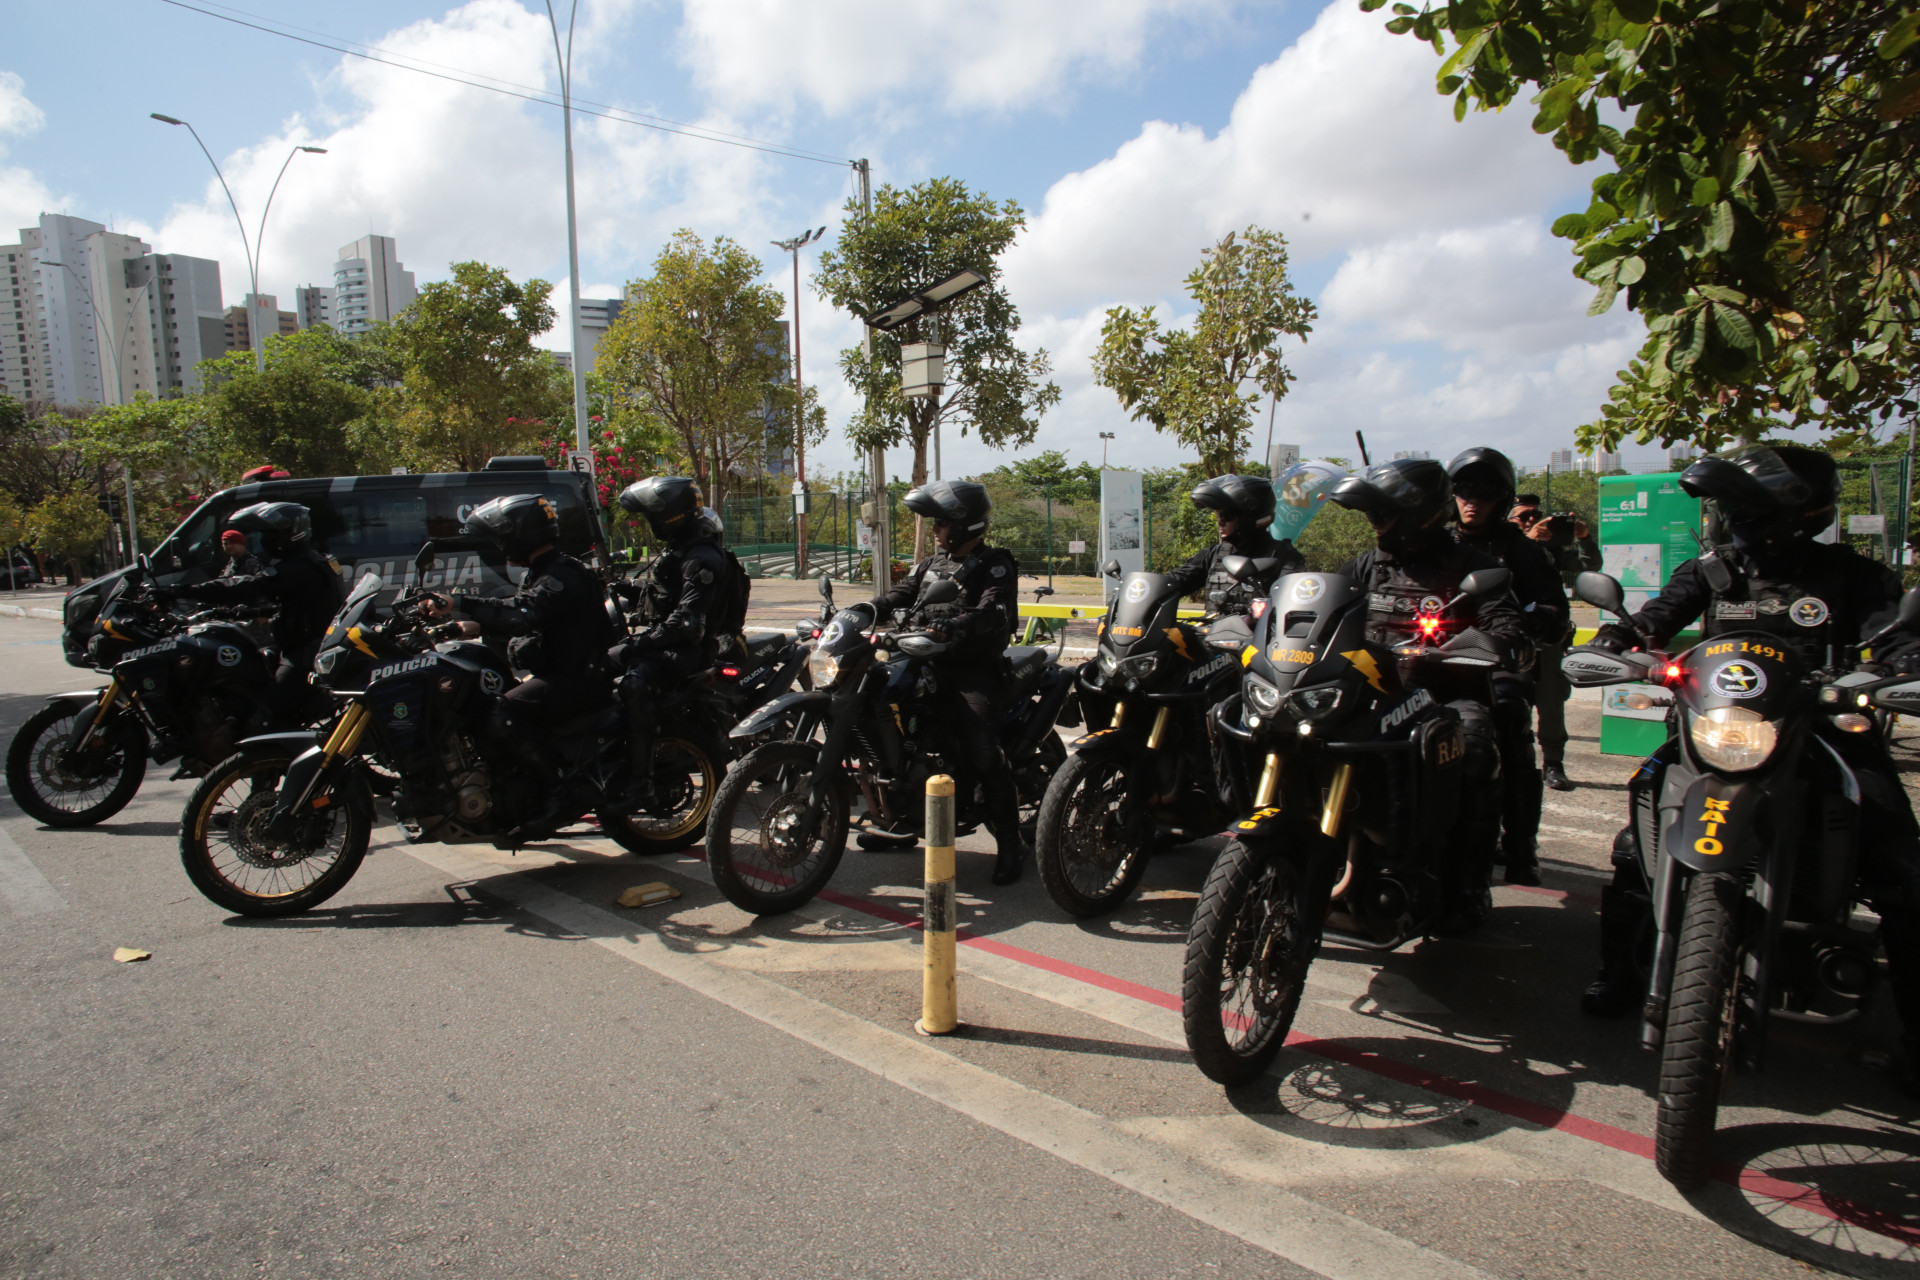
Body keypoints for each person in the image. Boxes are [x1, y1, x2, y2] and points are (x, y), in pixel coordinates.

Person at [1580, 445, 1920, 1095]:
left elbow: (1891, 635)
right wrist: (1619, 640)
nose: (1734, 517)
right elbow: (1655, 619)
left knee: (1902, 868)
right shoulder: (1712, 574)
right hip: (1719, 734)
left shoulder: (1854, 576)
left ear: (1795, 512)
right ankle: (1622, 976)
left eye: (1748, 506)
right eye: (1730, 505)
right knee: (1635, 839)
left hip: (1823, 737)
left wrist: (1897, 662)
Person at [1327, 458, 1532, 932]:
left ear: (1420, 514)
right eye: (1372, 514)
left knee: (1476, 754)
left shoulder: (1474, 566)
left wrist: (1494, 644)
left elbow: (1507, 626)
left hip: (1444, 698)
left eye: (1383, 513)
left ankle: (1467, 883)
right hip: (1374, 697)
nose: (1375, 523)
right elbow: (1326, 609)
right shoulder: (1365, 565)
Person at [870, 480, 1026, 885]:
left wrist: (953, 624)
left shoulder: (995, 563)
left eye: (941, 522)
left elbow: (993, 610)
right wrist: (867, 607)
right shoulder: (931, 565)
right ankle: (899, 816)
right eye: (934, 522)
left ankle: (1011, 845)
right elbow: (901, 594)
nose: (935, 529)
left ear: (964, 525)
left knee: (982, 748)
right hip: (921, 662)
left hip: (971, 670)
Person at [1448, 448, 1568, 886]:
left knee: (1512, 722)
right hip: (1436, 661)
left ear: (1502, 498)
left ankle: (1521, 848)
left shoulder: (1521, 551)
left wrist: (1519, 632)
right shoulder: (1435, 545)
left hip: (1495, 664)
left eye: (1483, 492)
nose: (1472, 501)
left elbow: (1554, 609)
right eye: (1463, 490)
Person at [427, 493, 615, 730]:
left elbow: (522, 614)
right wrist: (475, 627)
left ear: (519, 536)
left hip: (576, 681)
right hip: (560, 674)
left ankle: (541, 768)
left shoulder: (559, 576)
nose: (499, 546)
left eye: (501, 539)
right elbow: (537, 619)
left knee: (499, 713)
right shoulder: (542, 571)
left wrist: (457, 602)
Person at [605, 477, 740, 807]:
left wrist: (640, 645)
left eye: (654, 517)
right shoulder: (680, 550)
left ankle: (641, 779)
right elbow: (663, 599)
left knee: (633, 681)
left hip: (687, 652)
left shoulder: (701, 558)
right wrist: (619, 586)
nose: (651, 525)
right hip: (669, 644)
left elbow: (686, 621)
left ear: (672, 516)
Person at [160, 502, 345, 722]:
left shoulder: (298, 568)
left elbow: (242, 586)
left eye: (271, 534)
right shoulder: (313, 560)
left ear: (292, 534)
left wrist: (178, 591)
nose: (266, 540)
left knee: (265, 718)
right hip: (296, 645)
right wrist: (243, 613)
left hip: (304, 656)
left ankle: (272, 751)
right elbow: (299, 605)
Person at [1511, 493, 1601, 792]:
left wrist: (1585, 539)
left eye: (1535, 516)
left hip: (1547, 638)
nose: (1531, 522)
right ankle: (1511, 760)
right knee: (1508, 702)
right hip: (1510, 637)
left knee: (1551, 702)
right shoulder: (1500, 546)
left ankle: (1553, 763)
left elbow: (1589, 565)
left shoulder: (1550, 550)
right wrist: (1527, 540)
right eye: (1523, 517)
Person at [1163, 474, 1306, 617]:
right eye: (1218, 516)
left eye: (1226, 516)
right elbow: (1178, 580)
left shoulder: (1284, 556)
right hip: (1212, 634)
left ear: (1249, 518)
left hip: (1258, 637)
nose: (1220, 522)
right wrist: (1150, 586)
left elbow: (1295, 599)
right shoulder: (1214, 554)